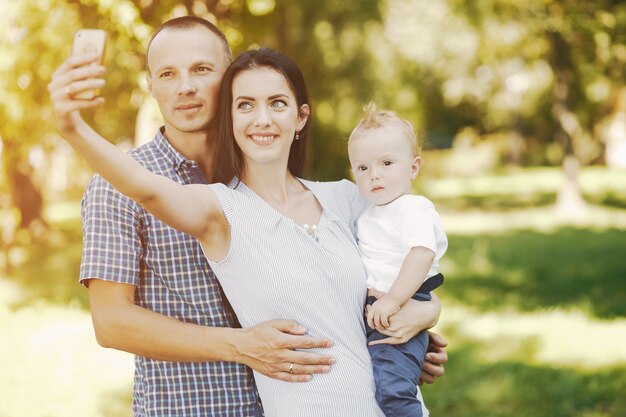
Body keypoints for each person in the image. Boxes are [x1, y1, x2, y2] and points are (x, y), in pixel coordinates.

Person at [47, 17, 447, 417]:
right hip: (195, 407)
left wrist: (415, 324)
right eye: (168, 73)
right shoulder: (194, 201)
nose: (186, 86)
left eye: (201, 69)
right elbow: (113, 318)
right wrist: (72, 127)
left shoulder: (332, 195)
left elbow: (387, 266)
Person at [348, 103, 448, 417]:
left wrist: (392, 300)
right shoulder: (370, 211)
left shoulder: (411, 208)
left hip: (402, 303)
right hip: (379, 309)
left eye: (387, 163)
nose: (374, 174)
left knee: (393, 388)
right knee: (379, 379)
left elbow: (421, 254)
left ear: (414, 168)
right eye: (363, 168)